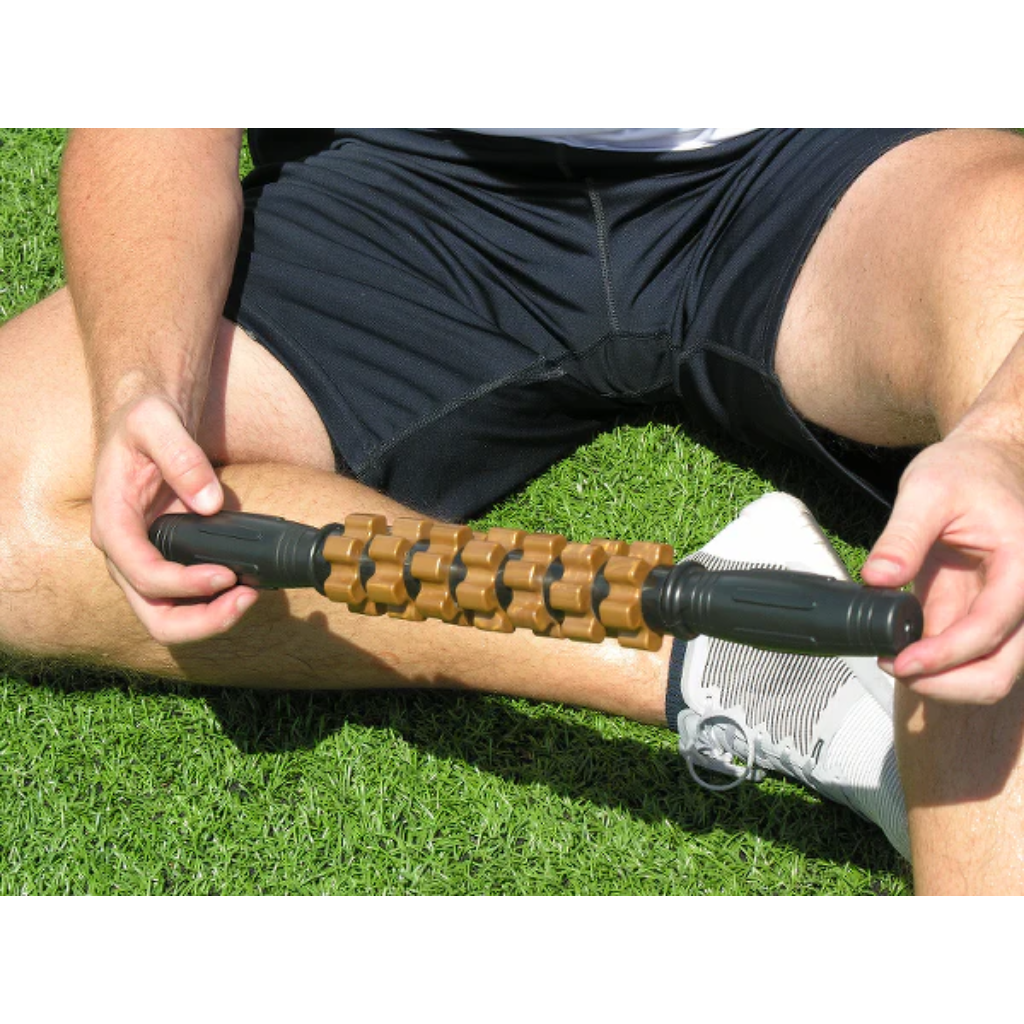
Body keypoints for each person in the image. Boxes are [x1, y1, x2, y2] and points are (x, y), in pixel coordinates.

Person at [3, 128, 1024, 895]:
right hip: (417, 186)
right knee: (28, 501)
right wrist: (142, 377)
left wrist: (1008, 434)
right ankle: (753, 668)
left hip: (824, 166)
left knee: (999, 509)